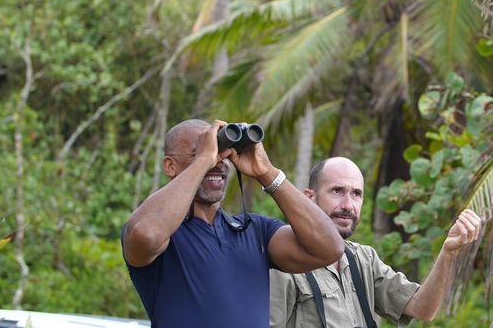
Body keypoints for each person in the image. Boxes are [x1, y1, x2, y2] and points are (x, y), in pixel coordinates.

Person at [121, 119, 345, 328]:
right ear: (170, 166)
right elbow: (146, 235)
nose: (217, 162)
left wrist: (267, 173)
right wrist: (203, 160)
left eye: (222, 154)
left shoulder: (255, 231)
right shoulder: (164, 235)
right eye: (199, 152)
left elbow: (330, 248)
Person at [270, 157, 482, 327]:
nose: (348, 205)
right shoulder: (284, 263)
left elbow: (422, 309)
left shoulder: (363, 259)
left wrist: (448, 252)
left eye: (356, 194)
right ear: (309, 198)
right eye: (337, 191)